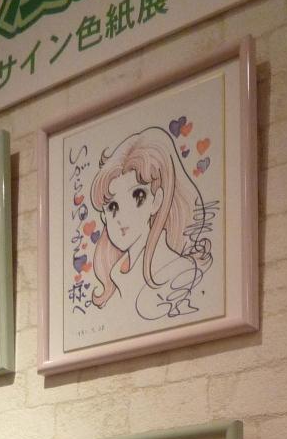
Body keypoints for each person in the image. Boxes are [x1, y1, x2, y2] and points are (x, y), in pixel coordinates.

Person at [90, 126, 212, 321]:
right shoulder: (116, 275)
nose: (122, 216)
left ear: (157, 201)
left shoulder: (178, 271)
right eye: (113, 206)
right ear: (104, 216)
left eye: (137, 196)